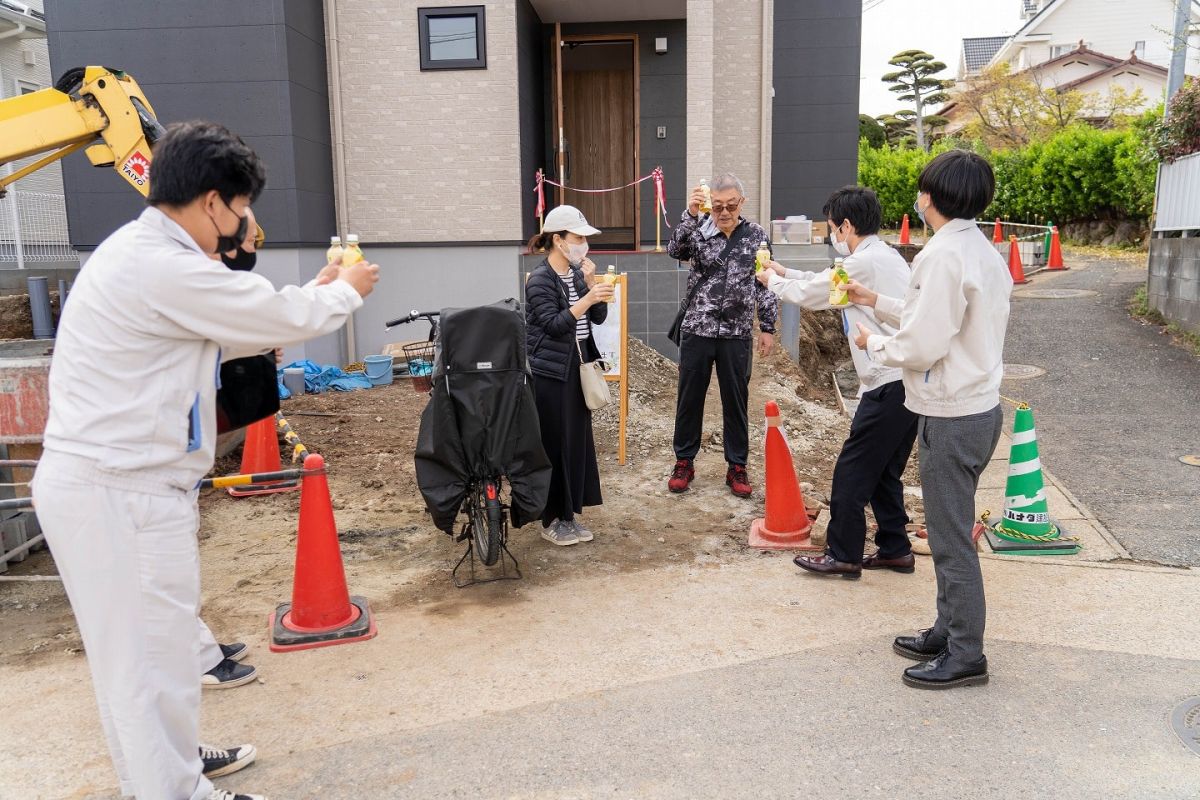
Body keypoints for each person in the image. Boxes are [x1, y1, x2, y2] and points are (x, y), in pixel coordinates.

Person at [31, 120, 379, 800]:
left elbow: (235, 320)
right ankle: (177, 790)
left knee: (148, 662)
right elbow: (268, 312)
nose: (242, 224)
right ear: (213, 201)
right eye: (242, 208)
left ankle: (173, 771)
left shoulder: (147, 256)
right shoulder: (160, 264)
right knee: (150, 668)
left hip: (118, 487)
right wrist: (345, 292)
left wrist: (307, 295)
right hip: (119, 491)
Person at [845, 150, 1012, 690]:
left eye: (921, 190)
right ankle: (948, 628)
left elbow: (923, 342)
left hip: (951, 412)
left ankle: (966, 654)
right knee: (948, 531)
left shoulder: (941, 255)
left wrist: (875, 341)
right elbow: (938, 317)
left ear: (929, 197)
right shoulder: (979, 249)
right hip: (978, 407)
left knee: (949, 538)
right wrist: (878, 300)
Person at [755, 186, 918, 579]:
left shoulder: (864, 263)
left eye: (832, 228)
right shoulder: (882, 256)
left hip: (888, 381)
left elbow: (814, 293)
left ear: (846, 226)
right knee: (881, 472)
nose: (832, 236)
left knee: (852, 470)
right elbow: (823, 279)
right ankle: (895, 547)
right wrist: (785, 272)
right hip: (902, 380)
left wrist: (770, 282)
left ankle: (843, 554)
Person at [666, 173, 777, 498]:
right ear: (710, 205)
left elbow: (765, 280)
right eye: (717, 207)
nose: (724, 212)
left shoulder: (756, 235)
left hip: (736, 332)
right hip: (697, 329)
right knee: (689, 398)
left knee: (736, 400)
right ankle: (684, 461)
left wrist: (767, 326)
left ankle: (737, 465)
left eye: (730, 206)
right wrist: (690, 215)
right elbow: (674, 250)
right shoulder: (699, 230)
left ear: (741, 203)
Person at [524, 205, 614, 546]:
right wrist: (587, 297)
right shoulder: (539, 280)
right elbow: (554, 325)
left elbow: (598, 318)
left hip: (578, 368)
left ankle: (569, 514)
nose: (583, 244)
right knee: (553, 444)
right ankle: (550, 519)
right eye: (578, 238)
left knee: (577, 443)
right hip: (550, 373)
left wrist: (592, 285)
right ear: (558, 240)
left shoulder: (577, 275)